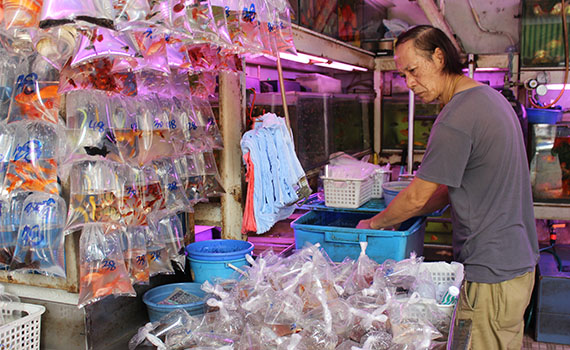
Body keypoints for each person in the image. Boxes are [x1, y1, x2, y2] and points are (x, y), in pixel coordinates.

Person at [357, 25, 539, 349]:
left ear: (439, 57)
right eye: (402, 75)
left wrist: (374, 224)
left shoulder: (457, 115)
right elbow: (443, 191)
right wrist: (399, 216)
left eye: (413, 70)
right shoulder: (489, 100)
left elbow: (417, 196)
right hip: (515, 267)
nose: (409, 83)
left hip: (492, 274)